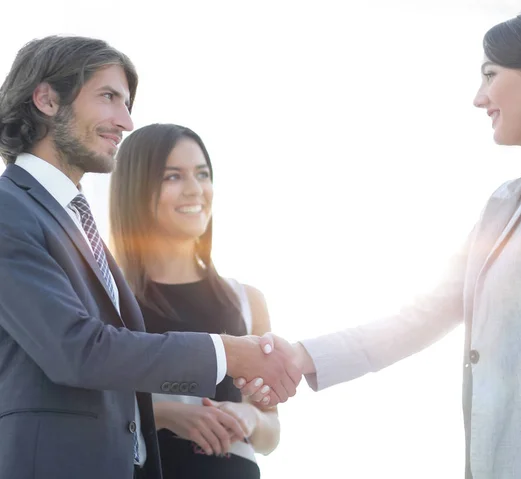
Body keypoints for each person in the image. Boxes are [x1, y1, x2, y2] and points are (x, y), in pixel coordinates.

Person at [244, 7, 521, 478]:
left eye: (490, 75)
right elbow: (420, 318)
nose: (479, 98)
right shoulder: (502, 203)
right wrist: (302, 356)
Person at [0, 36, 300, 479]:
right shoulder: (10, 210)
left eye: (127, 102)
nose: (125, 120)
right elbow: (77, 351)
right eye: (109, 97)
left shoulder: (73, 221)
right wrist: (227, 354)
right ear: (46, 99)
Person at [109, 123, 280, 479]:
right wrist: (168, 414)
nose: (195, 190)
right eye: (173, 177)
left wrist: (248, 416)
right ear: (137, 188)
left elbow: (271, 433)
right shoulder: (109, 297)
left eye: (202, 175)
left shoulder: (247, 301)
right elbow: (89, 410)